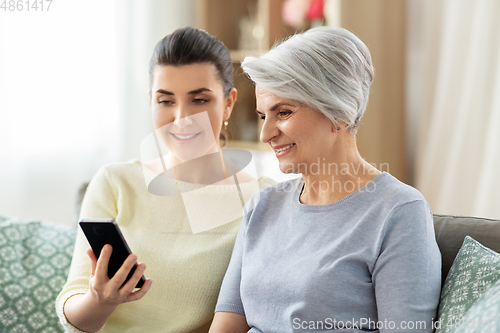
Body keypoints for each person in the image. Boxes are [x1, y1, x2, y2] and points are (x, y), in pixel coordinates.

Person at [210, 27, 441, 332]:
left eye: (283, 113)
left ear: (338, 113)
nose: (266, 134)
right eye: (263, 116)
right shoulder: (261, 207)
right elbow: (227, 326)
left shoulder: (398, 212)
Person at [56, 27, 274, 333]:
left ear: (228, 102)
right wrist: (99, 300)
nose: (182, 118)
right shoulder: (115, 183)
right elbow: (73, 317)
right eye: (166, 101)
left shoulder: (262, 200)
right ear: (151, 101)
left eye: (199, 100)